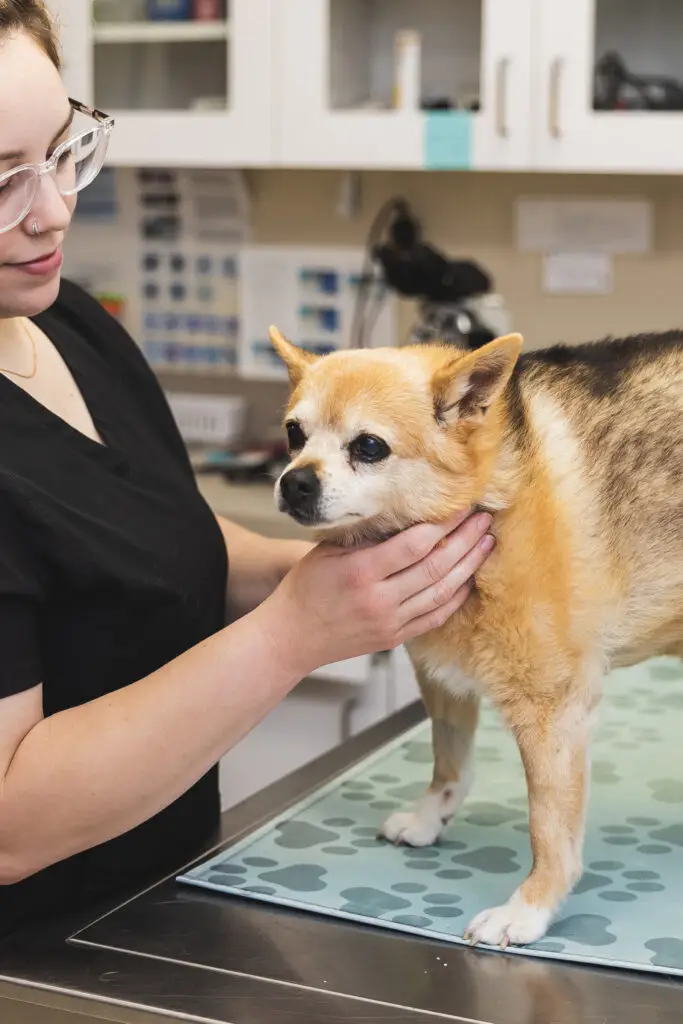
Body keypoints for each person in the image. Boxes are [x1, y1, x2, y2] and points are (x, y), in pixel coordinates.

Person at [0, 0, 495, 938]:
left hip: (158, 903)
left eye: (64, 149)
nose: (57, 207)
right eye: (0, 181)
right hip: (40, 962)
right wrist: (291, 636)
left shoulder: (61, 321)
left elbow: (145, 540)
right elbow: (7, 824)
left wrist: (345, 574)